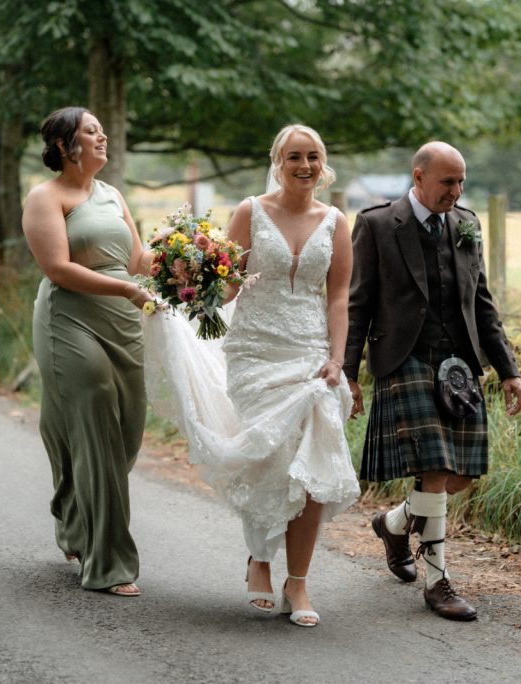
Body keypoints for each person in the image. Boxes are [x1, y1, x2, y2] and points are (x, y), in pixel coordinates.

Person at [143, 124, 359, 627]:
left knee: (310, 468)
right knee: (268, 458)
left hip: (311, 354)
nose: (304, 166)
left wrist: (339, 358)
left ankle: (298, 582)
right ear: (277, 161)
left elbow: (340, 297)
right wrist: (188, 281)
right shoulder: (251, 211)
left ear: (322, 164)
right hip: (255, 353)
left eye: (312, 157)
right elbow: (229, 289)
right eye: (293, 157)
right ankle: (259, 559)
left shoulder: (336, 222)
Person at [344, 141, 521, 620]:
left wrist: (509, 370)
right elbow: (358, 302)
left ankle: (393, 523)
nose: (457, 190)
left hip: (460, 364)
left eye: (462, 181)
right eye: (449, 181)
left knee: (460, 477)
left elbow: (481, 302)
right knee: (435, 470)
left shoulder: (466, 222)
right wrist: (348, 374)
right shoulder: (378, 224)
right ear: (419, 176)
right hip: (404, 358)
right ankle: (438, 582)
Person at [22, 106, 154, 597]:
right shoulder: (45, 198)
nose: (102, 137)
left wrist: (189, 254)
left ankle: (76, 517)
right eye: (91, 131)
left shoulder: (112, 194)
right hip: (69, 321)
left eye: (102, 130)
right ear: (64, 146)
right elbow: (58, 268)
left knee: (126, 431)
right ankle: (109, 561)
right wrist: (126, 291)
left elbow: (137, 260)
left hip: (122, 320)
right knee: (97, 416)